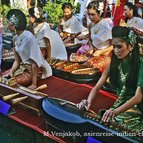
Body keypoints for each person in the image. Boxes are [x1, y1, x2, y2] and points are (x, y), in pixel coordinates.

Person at [77, 26, 143, 133]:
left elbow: (138, 97)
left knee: (112, 124)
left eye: (119, 47)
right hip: (119, 106)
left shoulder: (141, 63)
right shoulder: (114, 63)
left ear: (131, 46)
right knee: (104, 123)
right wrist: (87, 102)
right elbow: (97, 87)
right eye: (114, 47)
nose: (116, 51)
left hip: (136, 108)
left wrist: (115, 112)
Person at [6, 9, 52, 89]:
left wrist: (34, 84)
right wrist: (11, 72)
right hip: (22, 68)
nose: (7, 25)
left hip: (34, 71)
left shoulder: (29, 37)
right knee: (3, 79)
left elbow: (35, 62)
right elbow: (17, 60)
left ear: (13, 24)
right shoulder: (15, 38)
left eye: (8, 22)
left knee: (9, 84)